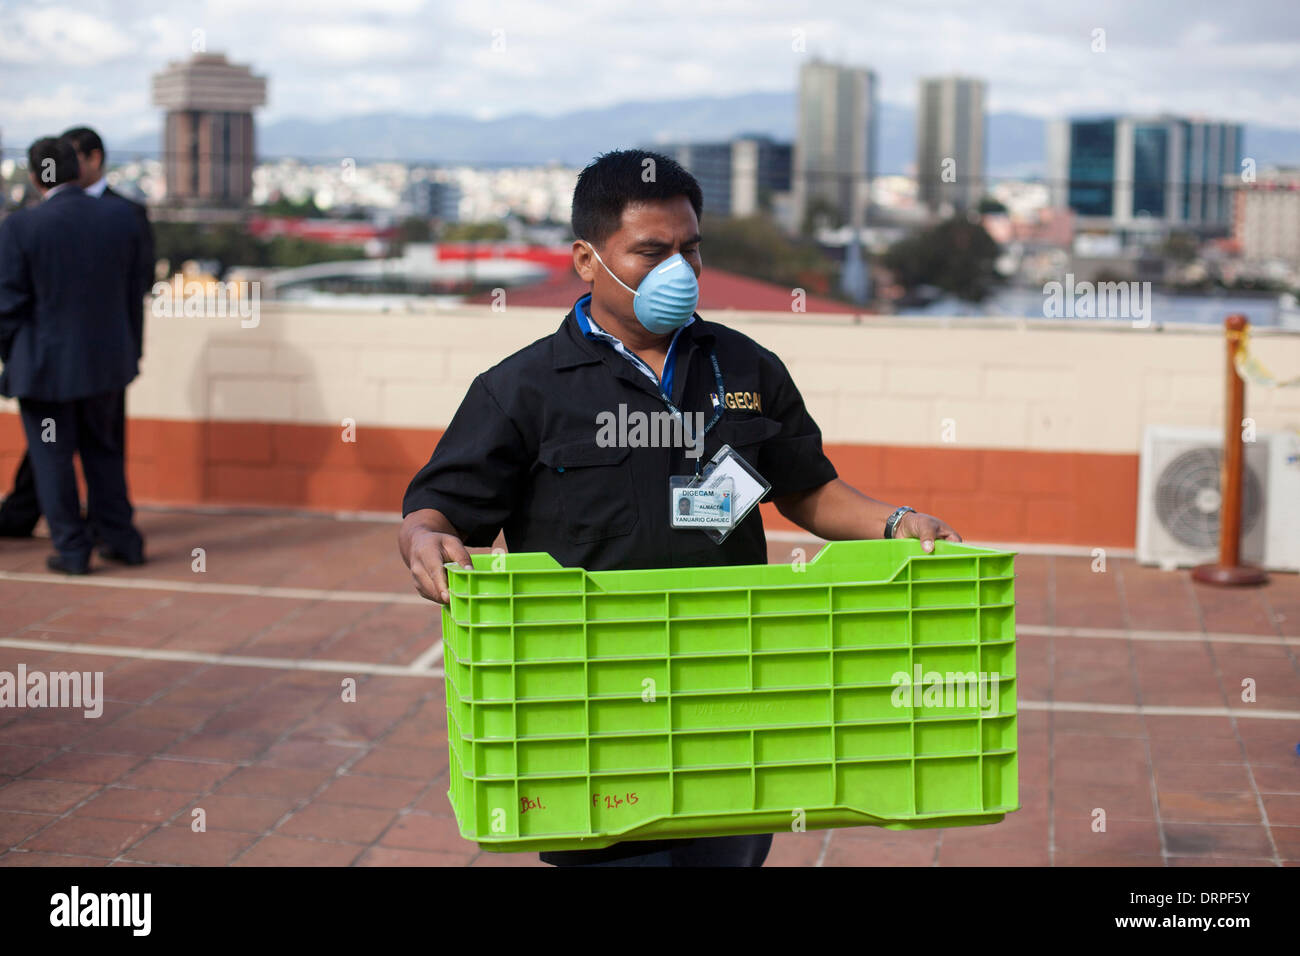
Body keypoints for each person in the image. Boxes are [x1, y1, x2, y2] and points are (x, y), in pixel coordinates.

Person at [398, 149, 961, 867]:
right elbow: (436, 512)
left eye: (690, 250)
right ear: (586, 260)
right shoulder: (524, 390)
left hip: (730, 696)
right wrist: (424, 538)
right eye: (651, 252)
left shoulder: (748, 368)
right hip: (590, 712)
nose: (680, 272)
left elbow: (805, 487)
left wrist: (893, 521)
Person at [0, 137, 146, 573]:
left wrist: (13, 358)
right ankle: (123, 540)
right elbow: (131, 293)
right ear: (77, 169)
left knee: (52, 456)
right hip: (106, 367)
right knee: (104, 452)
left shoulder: (21, 227)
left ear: (34, 175)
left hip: (45, 372)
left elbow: (6, 306)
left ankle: (72, 549)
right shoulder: (121, 218)